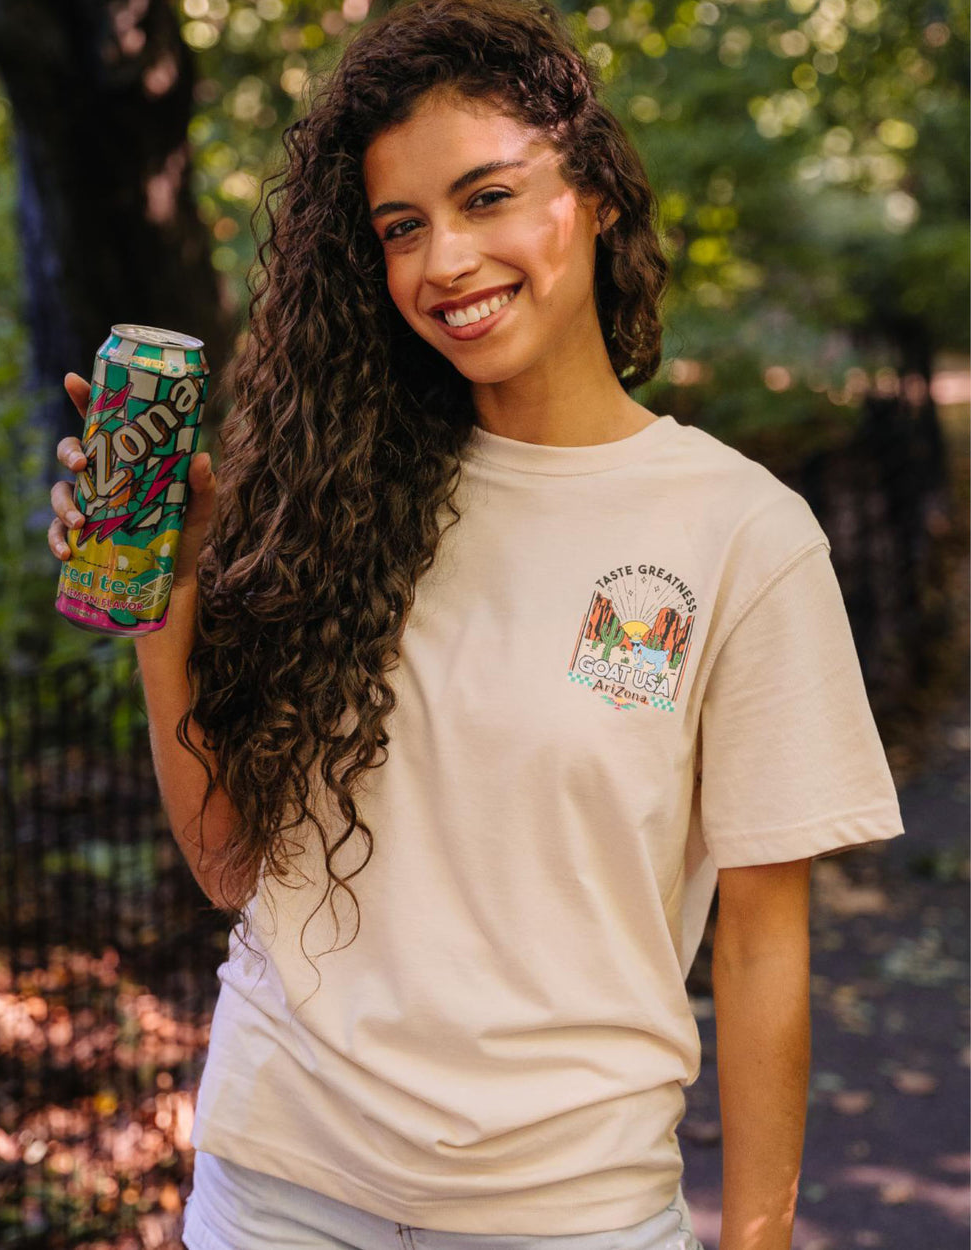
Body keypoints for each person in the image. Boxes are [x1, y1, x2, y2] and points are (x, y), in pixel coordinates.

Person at [48, 1, 906, 1247]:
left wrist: (757, 1235)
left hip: (565, 1210)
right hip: (279, 1183)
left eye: (487, 197)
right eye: (403, 227)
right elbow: (232, 862)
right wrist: (165, 593)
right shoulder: (332, 498)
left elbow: (764, 941)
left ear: (596, 195)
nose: (443, 259)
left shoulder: (740, 534)